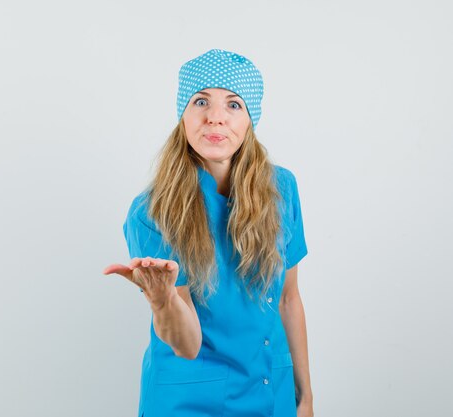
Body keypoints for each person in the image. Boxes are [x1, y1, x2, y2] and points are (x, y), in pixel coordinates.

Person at [103, 49, 314, 417]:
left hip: (271, 392)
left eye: (234, 105)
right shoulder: (152, 212)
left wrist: (306, 398)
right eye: (201, 101)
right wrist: (162, 299)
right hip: (191, 402)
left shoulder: (282, 188)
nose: (215, 117)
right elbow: (187, 345)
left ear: (251, 120)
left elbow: (288, 300)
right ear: (182, 115)